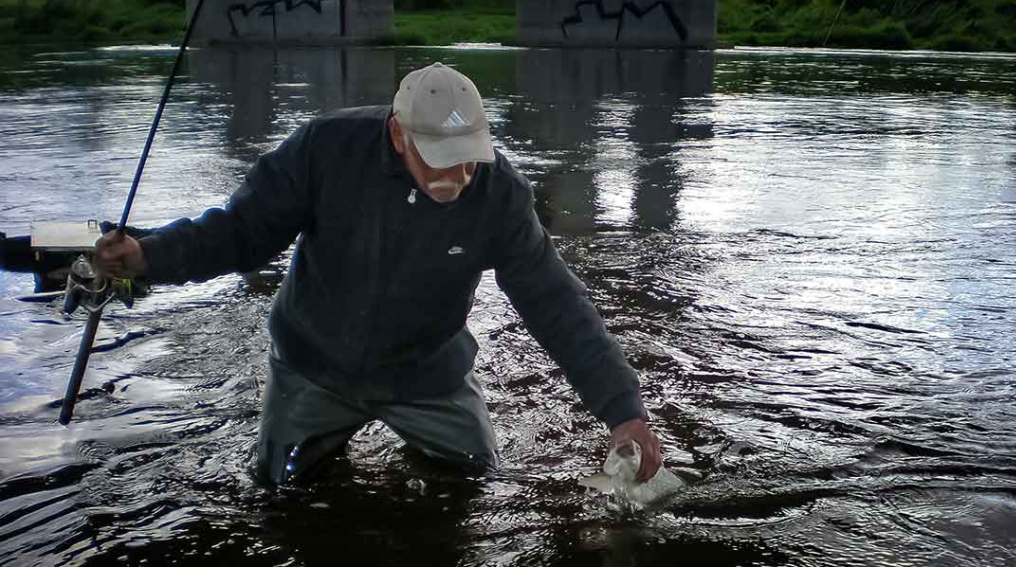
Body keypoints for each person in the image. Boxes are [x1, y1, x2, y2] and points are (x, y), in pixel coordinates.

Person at [95, 62, 663, 485]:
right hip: (313, 367)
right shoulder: (322, 150)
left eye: (470, 154)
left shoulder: (501, 194)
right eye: (440, 156)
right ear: (399, 135)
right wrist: (149, 256)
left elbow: (555, 304)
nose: (460, 174)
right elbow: (238, 232)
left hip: (428, 377)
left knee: (474, 483)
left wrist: (623, 411)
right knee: (275, 491)